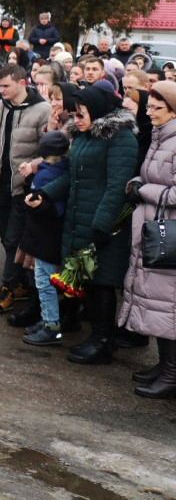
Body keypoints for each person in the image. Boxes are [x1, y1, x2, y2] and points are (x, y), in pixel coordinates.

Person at [32, 83, 136, 365]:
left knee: (102, 283)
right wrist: (45, 192)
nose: (75, 120)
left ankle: (103, 342)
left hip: (104, 225)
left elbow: (117, 187)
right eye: (74, 115)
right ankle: (97, 337)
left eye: (80, 114)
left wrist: (102, 225)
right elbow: (72, 178)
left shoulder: (120, 138)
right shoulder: (86, 134)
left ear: (99, 111)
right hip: (81, 220)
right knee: (88, 282)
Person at [120, 82, 176, 398]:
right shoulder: (159, 136)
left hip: (168, 234)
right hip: (153, 228)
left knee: (168, 305)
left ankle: (172, 373)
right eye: (148, 106)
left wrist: (143, 191)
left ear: (173, 110)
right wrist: (136, 183)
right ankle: (165, 365)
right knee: (157, 303)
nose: (148, 111)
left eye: (156, 107)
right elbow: (152, 177)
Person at [0, 65, 51, 314]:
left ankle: (7, 289)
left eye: (5, 86)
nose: (0, 91)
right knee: (5, 237)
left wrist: (33, 168)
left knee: (14, 238)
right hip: (3, 183)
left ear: (22, 83)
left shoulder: (42, 109)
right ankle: (22, 282)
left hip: (25, 186)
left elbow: (50, 149)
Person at [18, 131, 71, 345]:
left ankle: (52, 326)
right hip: (42, 235)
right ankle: (48, 319)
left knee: (44, 281)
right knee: (43, 280)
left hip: (45, 236)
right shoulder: (54, 170)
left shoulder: (49, 175)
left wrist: (40, 206)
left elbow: (57, 209)